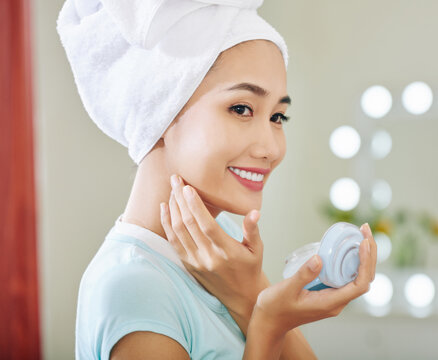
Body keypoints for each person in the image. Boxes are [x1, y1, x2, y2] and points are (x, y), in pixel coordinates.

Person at [57, 1, 377, 359]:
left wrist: (251, 295)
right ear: (160, 113)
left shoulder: (219, 244)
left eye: (277, 117)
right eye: (241, 109)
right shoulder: (135, 291)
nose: (271, 148)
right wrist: (267, 322)